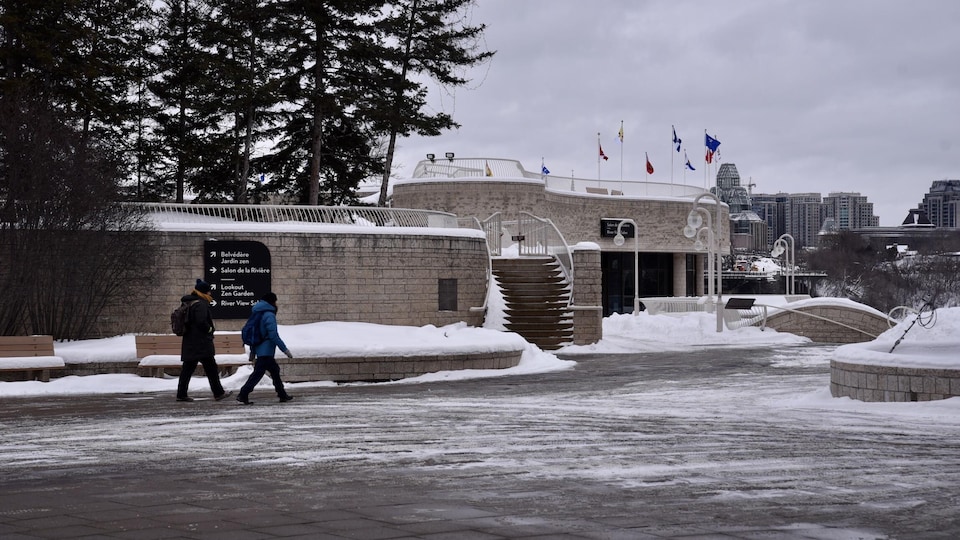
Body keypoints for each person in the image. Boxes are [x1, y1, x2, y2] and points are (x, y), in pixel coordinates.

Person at [177, 279, 233, 403]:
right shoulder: (200, 304)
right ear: (204, 292)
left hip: (190, 342)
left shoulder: (189, 302)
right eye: (209, 291)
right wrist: (209, 329)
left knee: (187, 369)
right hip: (201, 343)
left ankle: (181, 394)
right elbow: (201, 321)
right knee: (211, 368)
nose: (210, 294)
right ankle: (218, 393)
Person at [237, 292, 294, 405]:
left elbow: (256, 334)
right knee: (259, 373)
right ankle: (243, 394)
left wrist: (253, 352)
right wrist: (285, 350)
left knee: (274, 370)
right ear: (272, 302)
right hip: (266, 351)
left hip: (260, 349)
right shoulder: (269, 315)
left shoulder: (257, 313)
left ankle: (282, 394)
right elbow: (273, 335)